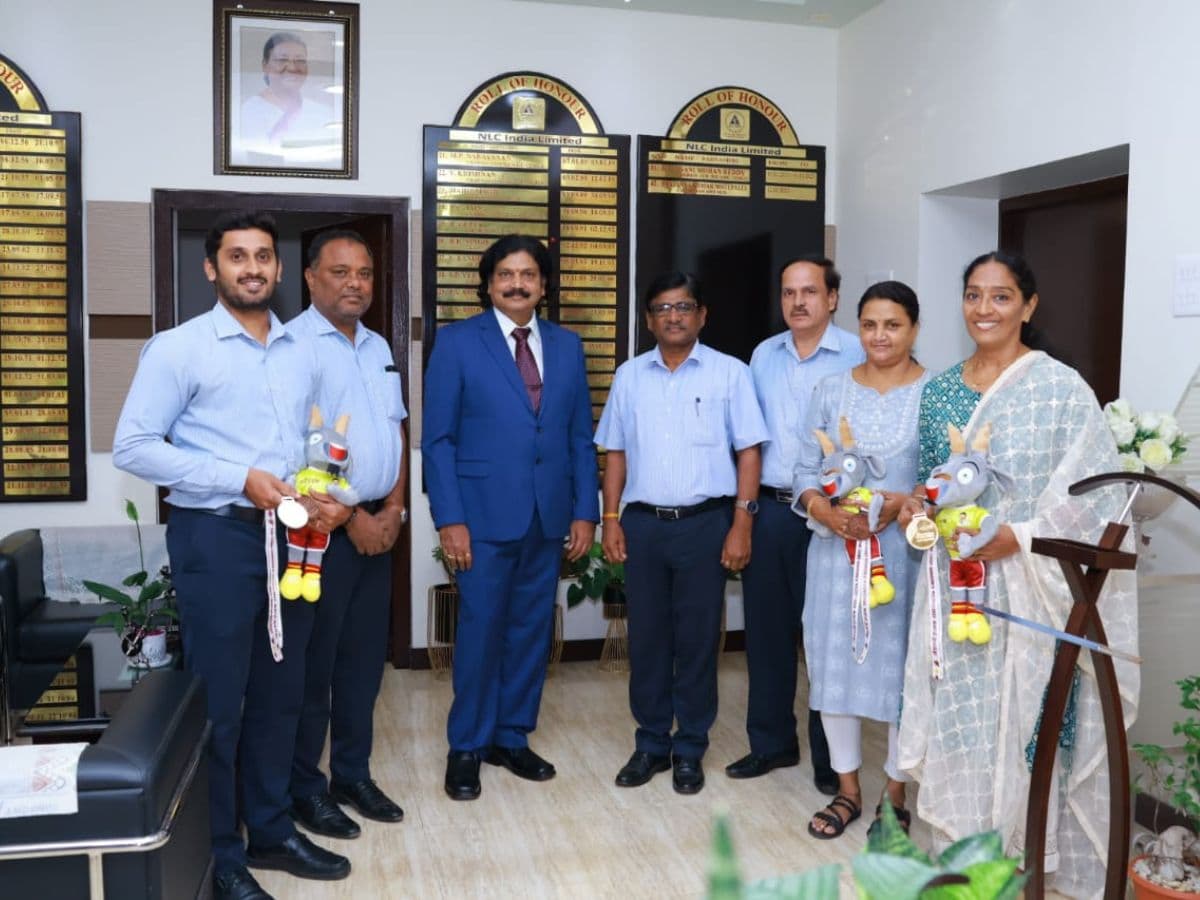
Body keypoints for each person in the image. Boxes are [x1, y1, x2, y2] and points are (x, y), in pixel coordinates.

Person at [112, 211, 350, 900]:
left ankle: (271, 831)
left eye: (264, 257)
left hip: (295, 540)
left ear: (279, 269)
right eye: (237, 256)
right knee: (221, 704)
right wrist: (237, 476)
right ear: (211, 268)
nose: (253, 268)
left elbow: (316, 439)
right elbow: (135, 447)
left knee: (283, 696)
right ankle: (220, 854)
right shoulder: (178, 349)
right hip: (217, 537)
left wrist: (330, 493)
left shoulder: (301, 350)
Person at [895, 251, 1138, 896]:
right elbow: (930, 483)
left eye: (1000, 297)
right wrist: (918, 510)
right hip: (956, 584)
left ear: (1028, 306)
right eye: (973, 295)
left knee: (1029, 717)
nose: (984, 309)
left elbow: (1094, 501)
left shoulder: (1059, 388)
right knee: (963, 716)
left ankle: (1028, 854)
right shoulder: (940, 389)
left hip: (1033, 589)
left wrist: (1019, 537)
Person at [422, 234, 599, 801]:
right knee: (479, 632)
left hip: (547, 518)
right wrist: (450, 518)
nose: (517, 283)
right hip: (481, 519)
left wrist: (585, 512)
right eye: (505, 274)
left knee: (529, 630)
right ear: (488, 283)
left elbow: (577, 437)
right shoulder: (456, 343)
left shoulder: (569, 347)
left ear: (544, 285)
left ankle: (511, 735)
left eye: (528, 274)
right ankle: (467, 746)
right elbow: (439, 440)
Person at [597, 272, 768, 795]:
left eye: (684, 307)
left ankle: (690, 745)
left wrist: (743, 521)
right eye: (663, 308)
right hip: (644, 526)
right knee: (646, 639)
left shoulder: (730, 374)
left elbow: (750, 451)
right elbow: (615, 452)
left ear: (701, 316)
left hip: (706, 525)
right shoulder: (630, 376)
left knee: (696, 642)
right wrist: (609, 519)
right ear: (648, 320)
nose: (674, 316)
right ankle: (651, 743)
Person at [792, 281, 928, 839]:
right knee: (833, 669)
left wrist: (900, 502)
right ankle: (848, 792)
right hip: (834, 556)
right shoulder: (830, 390)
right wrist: (825, 513)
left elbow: (949, 477)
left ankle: (895, 796)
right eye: (869, 324)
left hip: (904, 558)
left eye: (892, 325)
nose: (879, 336)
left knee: (901, 676)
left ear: (914, 328)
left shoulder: (936, 391)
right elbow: (802, 471)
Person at [285, 230, 407, 840]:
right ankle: (305, 788)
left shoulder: (380, 345)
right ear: (310, 278)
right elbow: (296, 453)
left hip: (378, 527)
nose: (355, 282)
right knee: (316, 667)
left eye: (363, 272)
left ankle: (351, 774)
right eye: (340, 272)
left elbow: (396, 433)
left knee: (364, 666)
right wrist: (354, 517)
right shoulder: (292, 347)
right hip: (321, 536)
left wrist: (396, 510)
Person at [728, 255, 864, 795]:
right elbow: (748, 441)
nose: (798, 302)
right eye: (789, 293)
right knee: (767, 633)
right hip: (773, 510)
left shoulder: (860, 352)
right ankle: (770, 744)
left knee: (828, 638)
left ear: (832, 297)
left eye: (810, 292)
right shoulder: (763, 355)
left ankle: (834, 762)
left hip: (834, 516)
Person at [236, 31, 337, 166]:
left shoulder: (325, 113)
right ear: (265, 65)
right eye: (282, 60)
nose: (292, 67)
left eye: (300, 61)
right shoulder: (248, 111)